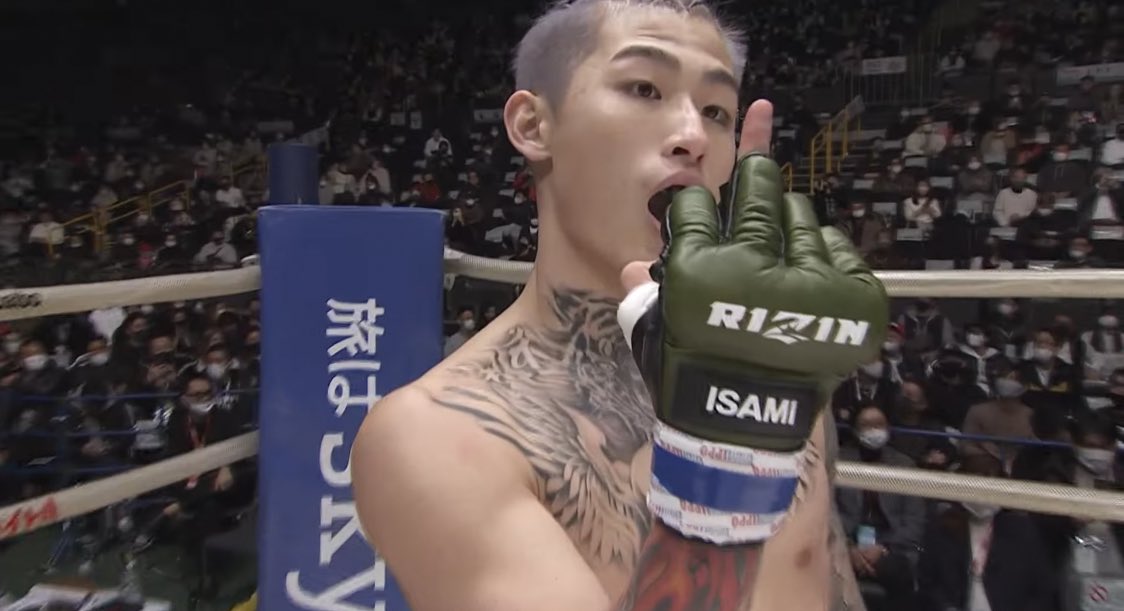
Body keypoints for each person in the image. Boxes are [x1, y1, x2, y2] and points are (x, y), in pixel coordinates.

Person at [351, 1, 887, 609]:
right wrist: (724, 459)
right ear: (533, 125)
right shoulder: (437, 436)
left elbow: (822, 579)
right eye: (644, 89)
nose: (693, 136)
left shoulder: (770, 364)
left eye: (716, 111)